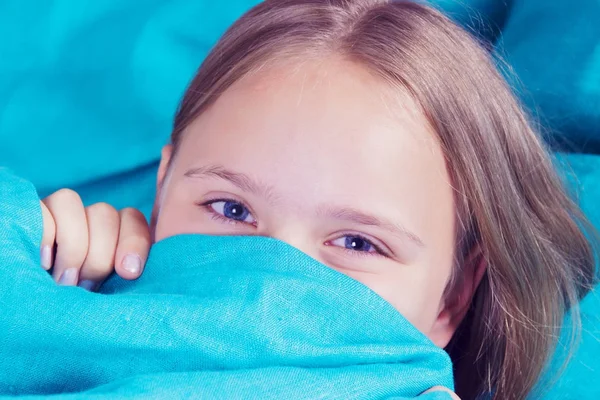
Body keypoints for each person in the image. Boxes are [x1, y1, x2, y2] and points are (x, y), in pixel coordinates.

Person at [36, 1, 597, 398]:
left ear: (451, 301)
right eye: (231, 209)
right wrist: (43, 269)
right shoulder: (56, 308)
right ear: (161, 195)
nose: (269, 277)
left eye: (358, 242)